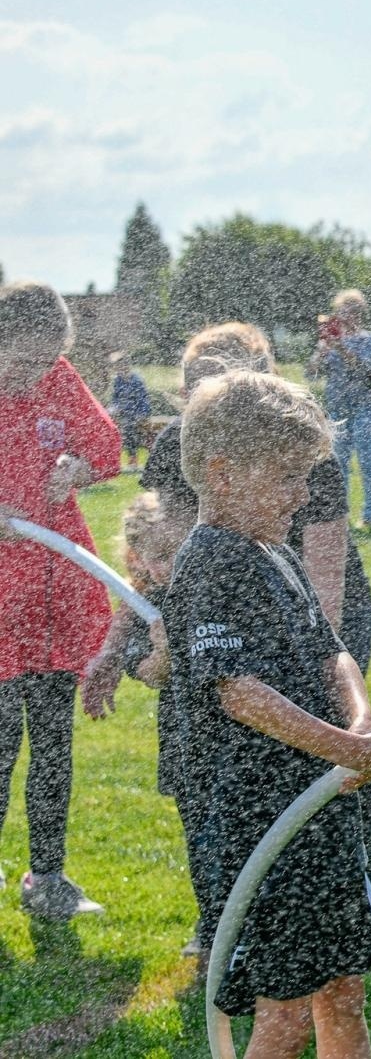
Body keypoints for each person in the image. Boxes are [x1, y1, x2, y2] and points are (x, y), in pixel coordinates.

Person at [163, 369, 371, 1056]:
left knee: (343, 993)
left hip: (320, 816)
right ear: (222, 473)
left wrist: (360, 722)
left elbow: (331, 652)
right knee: (281, 1015)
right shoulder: (210, 563)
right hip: (261, 825)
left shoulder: (274, 553)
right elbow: (239, 692)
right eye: (286, 475)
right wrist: (346, 750)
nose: (302, 495)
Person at [81, 322, 371, 902]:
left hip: (303, 610)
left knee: (323, 784)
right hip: (222, 637)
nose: (204, 401)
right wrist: (119, 645)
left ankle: (348, 892)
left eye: (218, 384)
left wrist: (343, 724)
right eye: (195, 388)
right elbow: (150, 554)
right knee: (210, 778)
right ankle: (220, 912)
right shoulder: (184, 450)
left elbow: (323, 610)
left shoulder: (294, 446)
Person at [0, 280, 120, 919]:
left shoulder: (60, 379)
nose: (34, 374)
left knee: (52, 742)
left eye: (46, 360)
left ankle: (46, 879)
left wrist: (80, 466)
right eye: (21, 361)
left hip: (53, 590)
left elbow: (105, 444)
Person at [119, 490, 211, 955]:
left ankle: (249, 925)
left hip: (230, 740)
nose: (171, 565)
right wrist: (163, 651)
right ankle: (213, 925)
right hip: (184, 741)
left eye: (179, 551)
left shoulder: (211, 588)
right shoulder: (145, 608)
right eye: (158, 557)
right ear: (137, 559)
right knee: (200, 837)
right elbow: (148, 672)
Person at [308, 289, 371, 530]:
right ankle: (340, 517)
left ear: (359, 314)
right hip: (337, 410)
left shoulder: (368, 339)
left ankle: (369, 516)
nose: (346, 317)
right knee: (337, 465)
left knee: (367, 463)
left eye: (351, 312)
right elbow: (310, 374)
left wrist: (340, 347)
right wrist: (321, 353)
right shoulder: (328, 342)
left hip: (365, 408)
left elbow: (364, 369)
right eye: (341, 313)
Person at [106, 351, 152, 472]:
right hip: (124, 413)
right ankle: (109, 460)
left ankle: (134, 460)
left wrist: (142, 414)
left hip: (137, 412)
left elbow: (143, 399)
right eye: (117, 367)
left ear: (127, 366)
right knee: (112, 427)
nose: (119, 369)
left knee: (129, 428)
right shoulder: (118, 381)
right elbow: (115, 399)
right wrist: (112, 409)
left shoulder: (136, 380)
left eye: (121, 366)